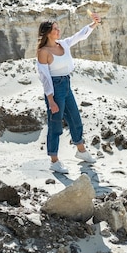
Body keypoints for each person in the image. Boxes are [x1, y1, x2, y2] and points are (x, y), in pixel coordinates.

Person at [36, 13, 101, 173]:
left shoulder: (63, 44)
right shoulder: (43, 51)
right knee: (55, 124)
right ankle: (54, 160)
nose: (58, 31)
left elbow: (79, 36)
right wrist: (50, 100)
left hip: (66, 84)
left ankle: (81, 151)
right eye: (55, 29)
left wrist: (94, 24)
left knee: (75, 118)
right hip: (55, 88)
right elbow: (45, 78)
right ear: (47, 33)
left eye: (58, 28)